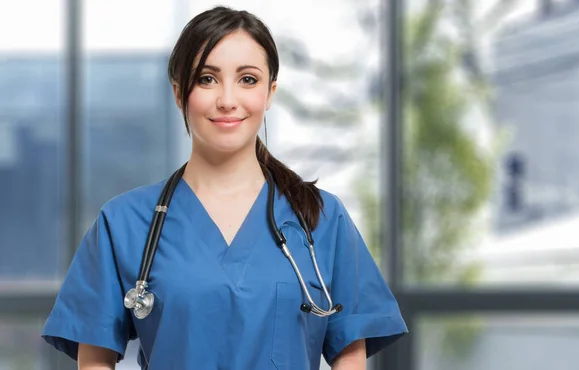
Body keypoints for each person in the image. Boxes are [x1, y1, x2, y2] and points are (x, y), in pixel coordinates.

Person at [41, 6, 408, 370]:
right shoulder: (124, 223)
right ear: (178, 92)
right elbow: (94, 362)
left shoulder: (320, 219)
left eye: (248, 79)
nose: (227, 100)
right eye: (206, 79)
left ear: (270, 92)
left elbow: (349, 356)